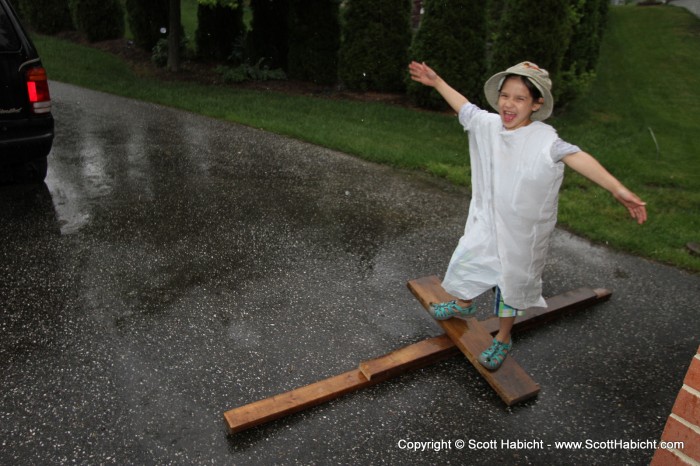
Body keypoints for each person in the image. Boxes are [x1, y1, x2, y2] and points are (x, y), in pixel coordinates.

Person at [408, 60, 647, 371]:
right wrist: (437, 80)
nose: (509, 104)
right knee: (468, 259)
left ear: (537, 104)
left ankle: (504, 337)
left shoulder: (544, 140)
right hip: (487, 222)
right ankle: (464, 305)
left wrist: (618, 189)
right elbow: (465, 108)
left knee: (510, 285)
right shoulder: (490, 125)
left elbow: (576, 156)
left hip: (521, 233)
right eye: (505, 95)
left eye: (520, 99)